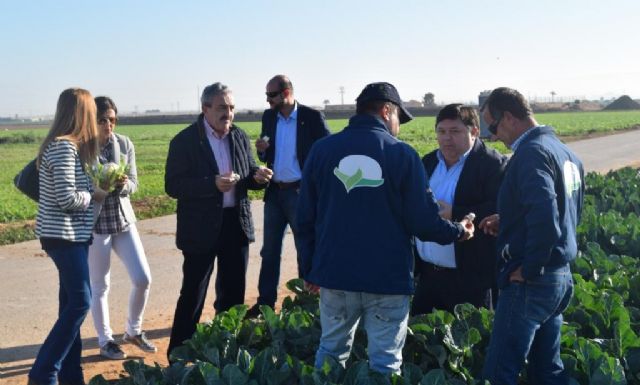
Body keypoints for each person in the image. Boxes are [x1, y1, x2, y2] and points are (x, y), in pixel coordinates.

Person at [297, 82, 475, 375]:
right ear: (386, 110)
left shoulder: (321, 150)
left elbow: (305, 218)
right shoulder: (402, 155)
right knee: (385, 361)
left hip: (334, 274)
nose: (398, 127)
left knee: (331, 352)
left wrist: (310, 269)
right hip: (387, 278)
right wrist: (458, 231)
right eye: (398, 119)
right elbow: (423, 222)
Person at [479, 87, 584, 384]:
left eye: (494, 126)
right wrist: (510, 219)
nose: (494, 135)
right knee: (547, 371)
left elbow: (547, 219)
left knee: (499, 373)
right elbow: (567, 212)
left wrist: (529, 267)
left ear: (509, 117)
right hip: (560, 278)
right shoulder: (565, 152)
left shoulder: (531, 153)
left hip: (533, 281)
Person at [165, 83, 272, 360]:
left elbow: (246, 173)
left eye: (232, 108)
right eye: (223, 107)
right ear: (205, 108)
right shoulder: (185, 140)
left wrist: (257, 177)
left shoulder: (237, 136)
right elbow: (173, 185)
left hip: (234, 223)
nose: (229, 113)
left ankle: (227, 351)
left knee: (233, 295)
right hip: (200, 229)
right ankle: (179, 356)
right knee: (193, 294)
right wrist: (211, 184)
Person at [29, 88, 107, 385]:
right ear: (81, 113)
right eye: (91, 111)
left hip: (72, 235)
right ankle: (44, 371)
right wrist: (94, 194)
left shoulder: (70, 148)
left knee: (69, 305)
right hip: (62, 236)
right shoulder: (63, 147)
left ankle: (70, 375)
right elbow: (67, 199)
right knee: (80, 302)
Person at [411, 104, 506, 315]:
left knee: (474, 343)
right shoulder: (427, 163)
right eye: (441, 131)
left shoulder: (492, 164)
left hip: (471, 280)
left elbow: (501, 208)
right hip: (428, 277)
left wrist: (455, 213)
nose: (446, 138)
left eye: (455, 131)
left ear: (474, 131)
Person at [248, 74, 330, 316]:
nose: (268, 100)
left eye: (271, 95)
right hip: (275, 192)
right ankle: (265, 304)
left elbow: (327, 151)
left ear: (286, 93)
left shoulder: (311, 117)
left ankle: (308, 303)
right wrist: (262, 152)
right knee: (270, 251)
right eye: (266, 96)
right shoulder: (269, 116)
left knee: (305, 247)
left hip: (300, 192)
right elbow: (267, 153)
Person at [87, 96, 155, 360]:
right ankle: (105, 340)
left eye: (112, 119)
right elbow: (81, 189)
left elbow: (135, 183)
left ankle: (133, 330)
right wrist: (101, 186)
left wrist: (124, 183)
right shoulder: (83, 148)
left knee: (142, 278)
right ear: (92, 121)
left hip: (123, 220)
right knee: (100, 285)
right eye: (102, 120)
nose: (108, 125)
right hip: (97, 224)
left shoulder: (125, 144)